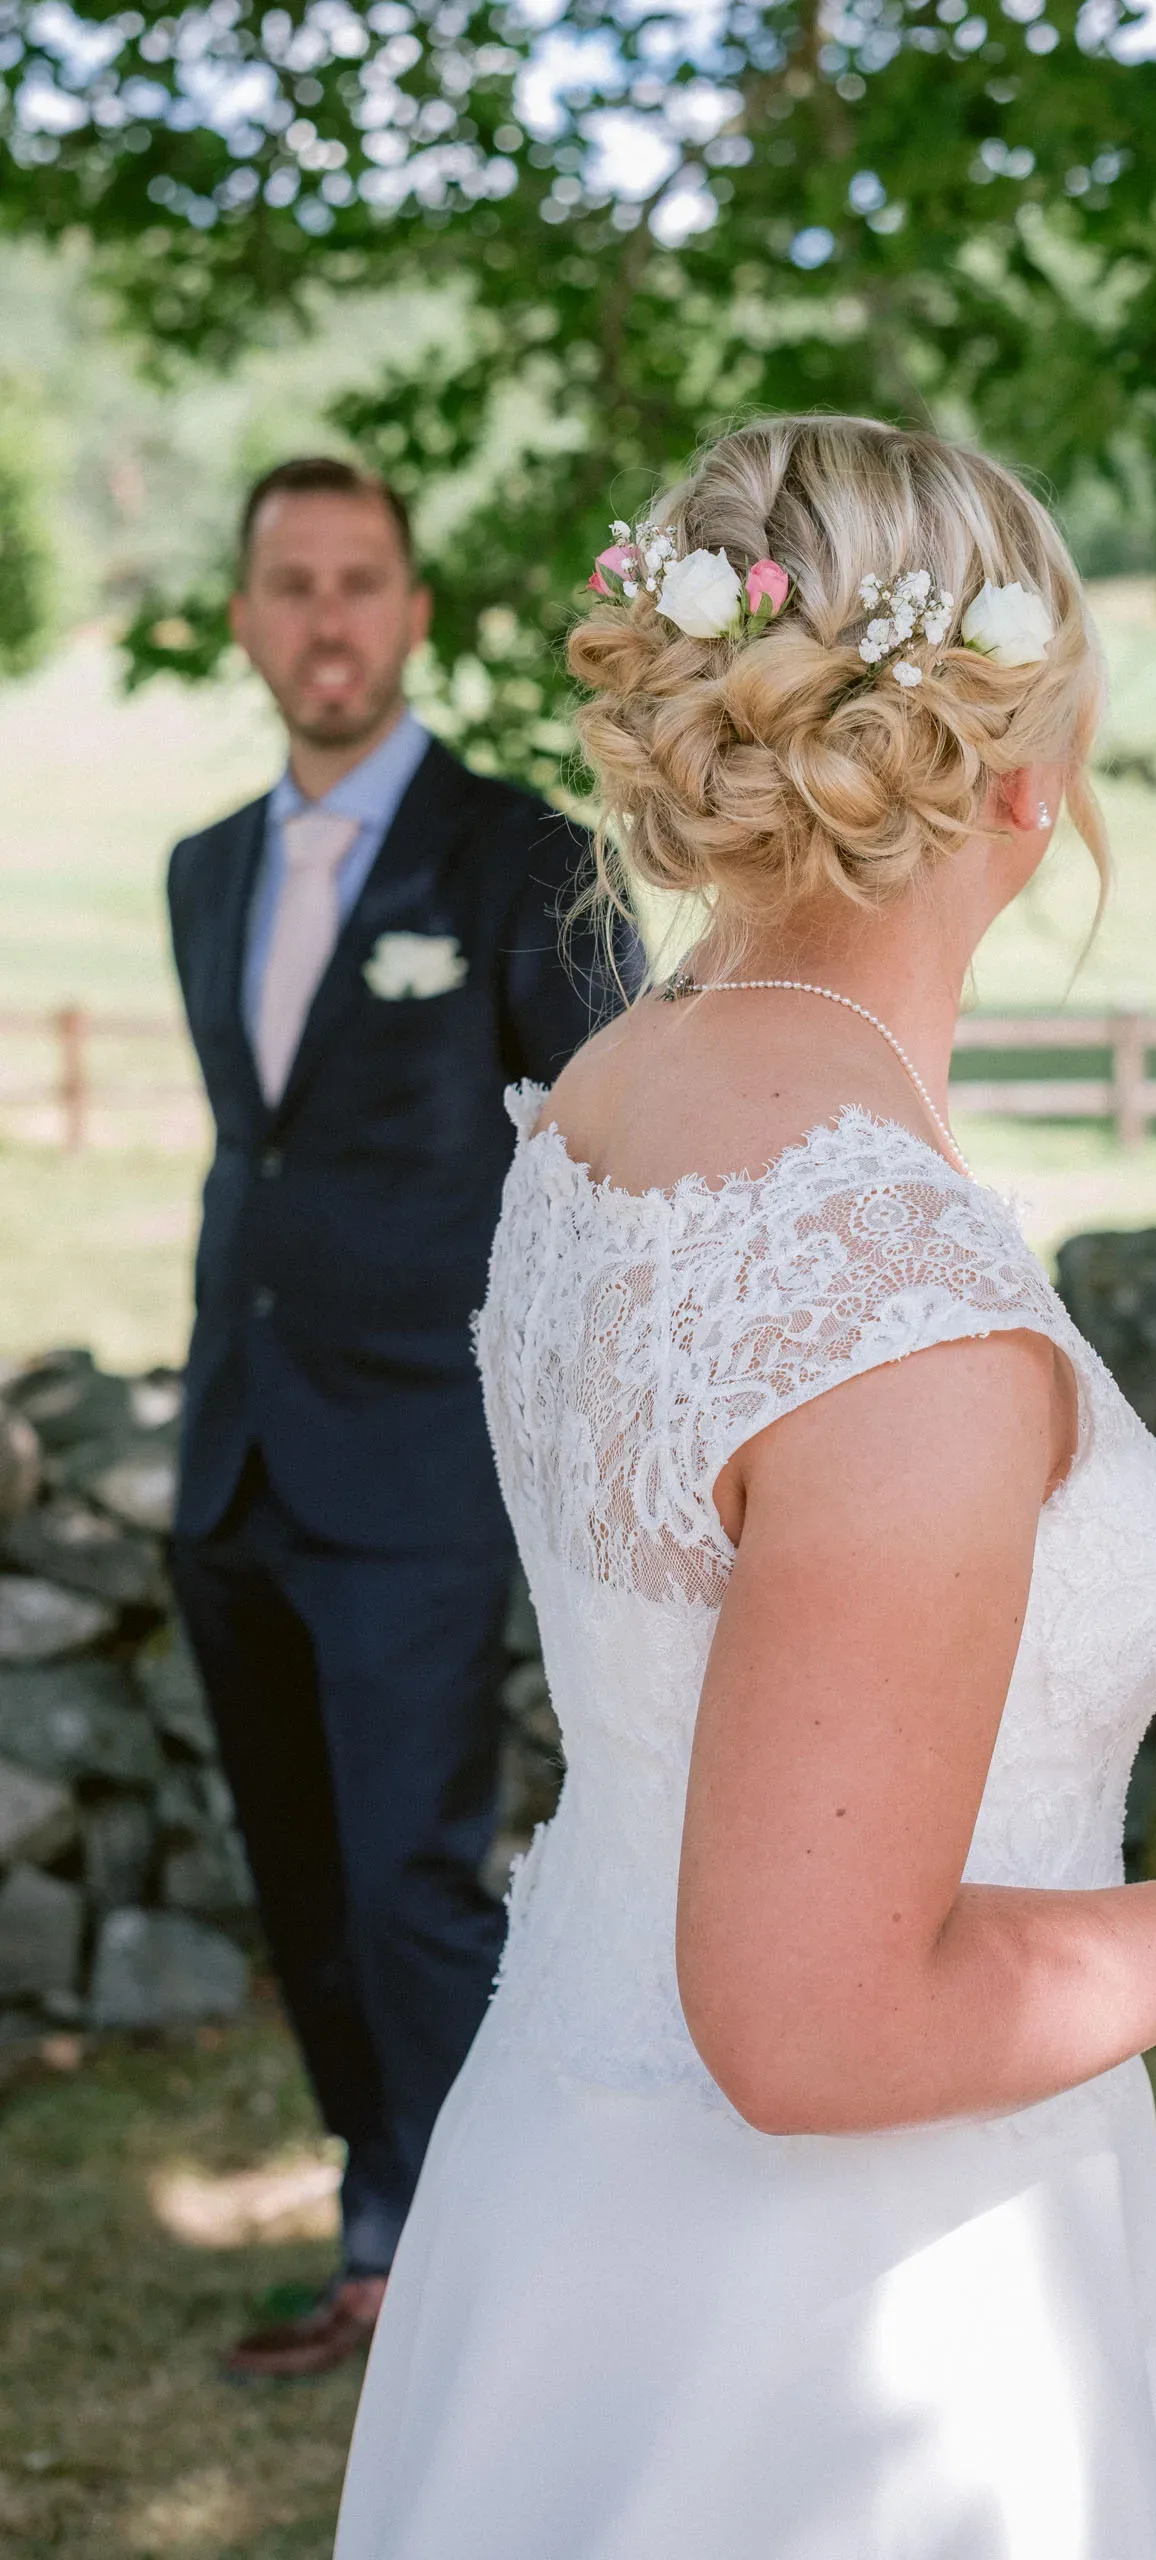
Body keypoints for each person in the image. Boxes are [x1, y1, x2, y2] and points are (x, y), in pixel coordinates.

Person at [333, 418, 1156, 2555]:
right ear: (1023, 780)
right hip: (840, 2323)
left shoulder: (620, 1093)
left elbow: (733, 1583)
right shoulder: (893, 1301)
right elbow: (818, 2027)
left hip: (566, 2180)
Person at [165, 456, 637, 2380]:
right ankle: (383, 2226)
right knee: (302, 1883)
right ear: (244, 617)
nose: (327, 619)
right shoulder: (205, 867)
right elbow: (261, 1160)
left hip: (423, 1473)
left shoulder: (519, 855)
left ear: (415, 611)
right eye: (291, 584)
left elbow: (620, 1158)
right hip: (234, 1465)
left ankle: (478, 2276)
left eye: (361, 580)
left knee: (411, 1885)